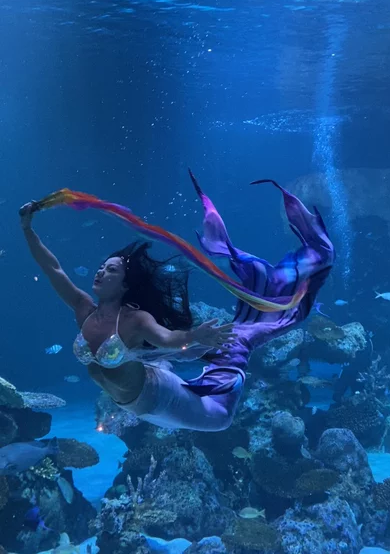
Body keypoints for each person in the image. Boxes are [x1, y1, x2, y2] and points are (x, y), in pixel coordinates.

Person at [19, 172, 335, 432]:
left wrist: (195, 336)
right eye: (102, 267)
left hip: (158, 397)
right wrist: (27, 228)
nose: (101, 271)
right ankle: (172, 362)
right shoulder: (83, 308)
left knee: (221, 420)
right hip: (135, 403)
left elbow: (168, 338)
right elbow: (52, 268)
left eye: (111, 269)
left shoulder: (133, 319)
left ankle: (240, 345)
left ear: (126, 284)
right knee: (166, 362)